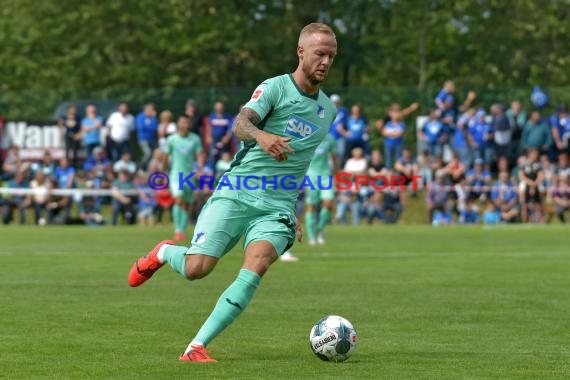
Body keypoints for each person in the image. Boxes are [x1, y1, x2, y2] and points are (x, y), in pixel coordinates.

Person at [127, 23, 337, 362]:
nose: (325, 62)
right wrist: (262, 136)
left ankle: (196, 346)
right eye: (319, 54)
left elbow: (300, 163)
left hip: (276, 207)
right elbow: (240, 123)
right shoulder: (274, 88)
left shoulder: (328, 111)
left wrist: (292, 209)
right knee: (197, 268)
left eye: (330, 56)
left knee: (257, 263)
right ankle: (165, 252)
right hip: (238, 192)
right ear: (301, 53)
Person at [163, 114, 205, 241]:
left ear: (189, 124)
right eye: (182, 122)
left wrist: (200, 168)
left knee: (187, 204)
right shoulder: (172, 139)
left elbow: (199, 154)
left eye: (187, 122)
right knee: (178, 199)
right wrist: (163, 172)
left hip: (189, 176)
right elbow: (165, 156)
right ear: (178, 124)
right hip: (176, 174)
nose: (184, 125)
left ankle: (181, 229)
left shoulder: (195, 139)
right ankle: (178, 230)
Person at [304, 132, 338, 245]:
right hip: (310, 175)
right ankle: (311, 236)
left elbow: (334, 158)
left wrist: (337, 176)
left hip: (325, 175)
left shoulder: (330, 138)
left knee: (329, 204)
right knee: (311, 206)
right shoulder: (307, 137)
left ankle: (320, 230)